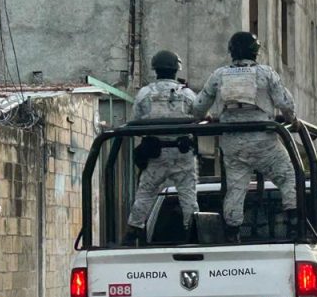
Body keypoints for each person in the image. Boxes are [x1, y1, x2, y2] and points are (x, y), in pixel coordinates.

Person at [192, 31, 299, 243]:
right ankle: (294, 224)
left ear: (231, 51)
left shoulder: (219, 75)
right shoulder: (266, 73)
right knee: (288, 177)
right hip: (264, 141)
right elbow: (285, 103)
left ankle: (232, 233)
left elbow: (198, 107)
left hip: (233, 142)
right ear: (256, 52)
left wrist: (208, 118)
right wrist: (292, 120)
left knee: (235, 189)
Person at [124, 49, 198, 244]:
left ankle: (132, 232)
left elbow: (135, 123)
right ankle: (194, 233)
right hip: (182, 154)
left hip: (156, 154)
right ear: (176, 69)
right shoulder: (187, 94)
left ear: (155, 69)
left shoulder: (145, 93)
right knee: (188, 196)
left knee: (145, 194)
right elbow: (199, 116)